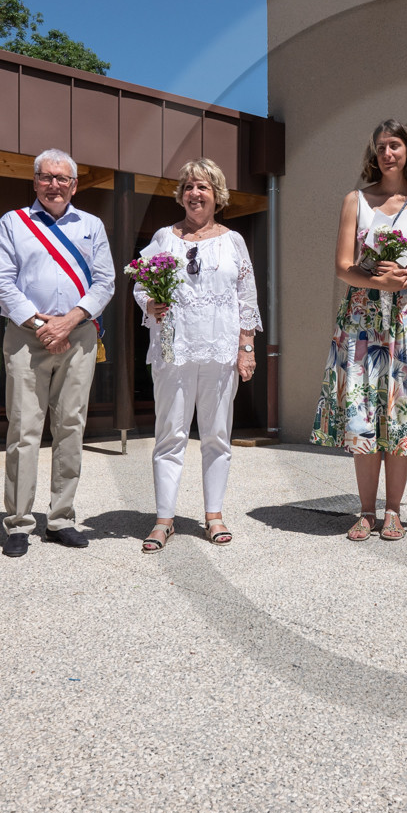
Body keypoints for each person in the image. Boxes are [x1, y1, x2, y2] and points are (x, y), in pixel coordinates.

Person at [311, 119, 407, 542]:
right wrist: (378, 282)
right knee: (363, 408)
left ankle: (393, 511)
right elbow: (342, 266)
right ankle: (365, 511)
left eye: (395, 145)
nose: (387, 153)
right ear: (374, 155)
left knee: (400, 409)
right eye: (381, 147)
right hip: (362, 319)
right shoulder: (356, 200)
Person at [0, 149, 115, 558]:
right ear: (35, 181)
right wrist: (41, 325)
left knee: (71, 428)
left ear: (75, 185)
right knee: (24, 431)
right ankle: (19, 524)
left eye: (63, 178)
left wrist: (69, 320)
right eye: (47, 177)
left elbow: (105, 282)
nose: (55, 185)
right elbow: (1, 283)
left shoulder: (91, 225)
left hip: (77, 337)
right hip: (27, 337)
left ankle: (61, 519)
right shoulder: (14, 222)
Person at [133, 158, 261, 552]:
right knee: (169, 435)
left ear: (217, 194)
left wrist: (246, 349)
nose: (194, 193)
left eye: (202, 186)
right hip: (174, 351)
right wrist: (149, 302)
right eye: (188, 186)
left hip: (221, 351)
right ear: (181, 194)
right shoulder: (163, 237)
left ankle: (214, 515)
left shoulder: (233, 240)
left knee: (217, 437)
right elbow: (139, 280)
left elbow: (247, 297)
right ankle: (164, 520)